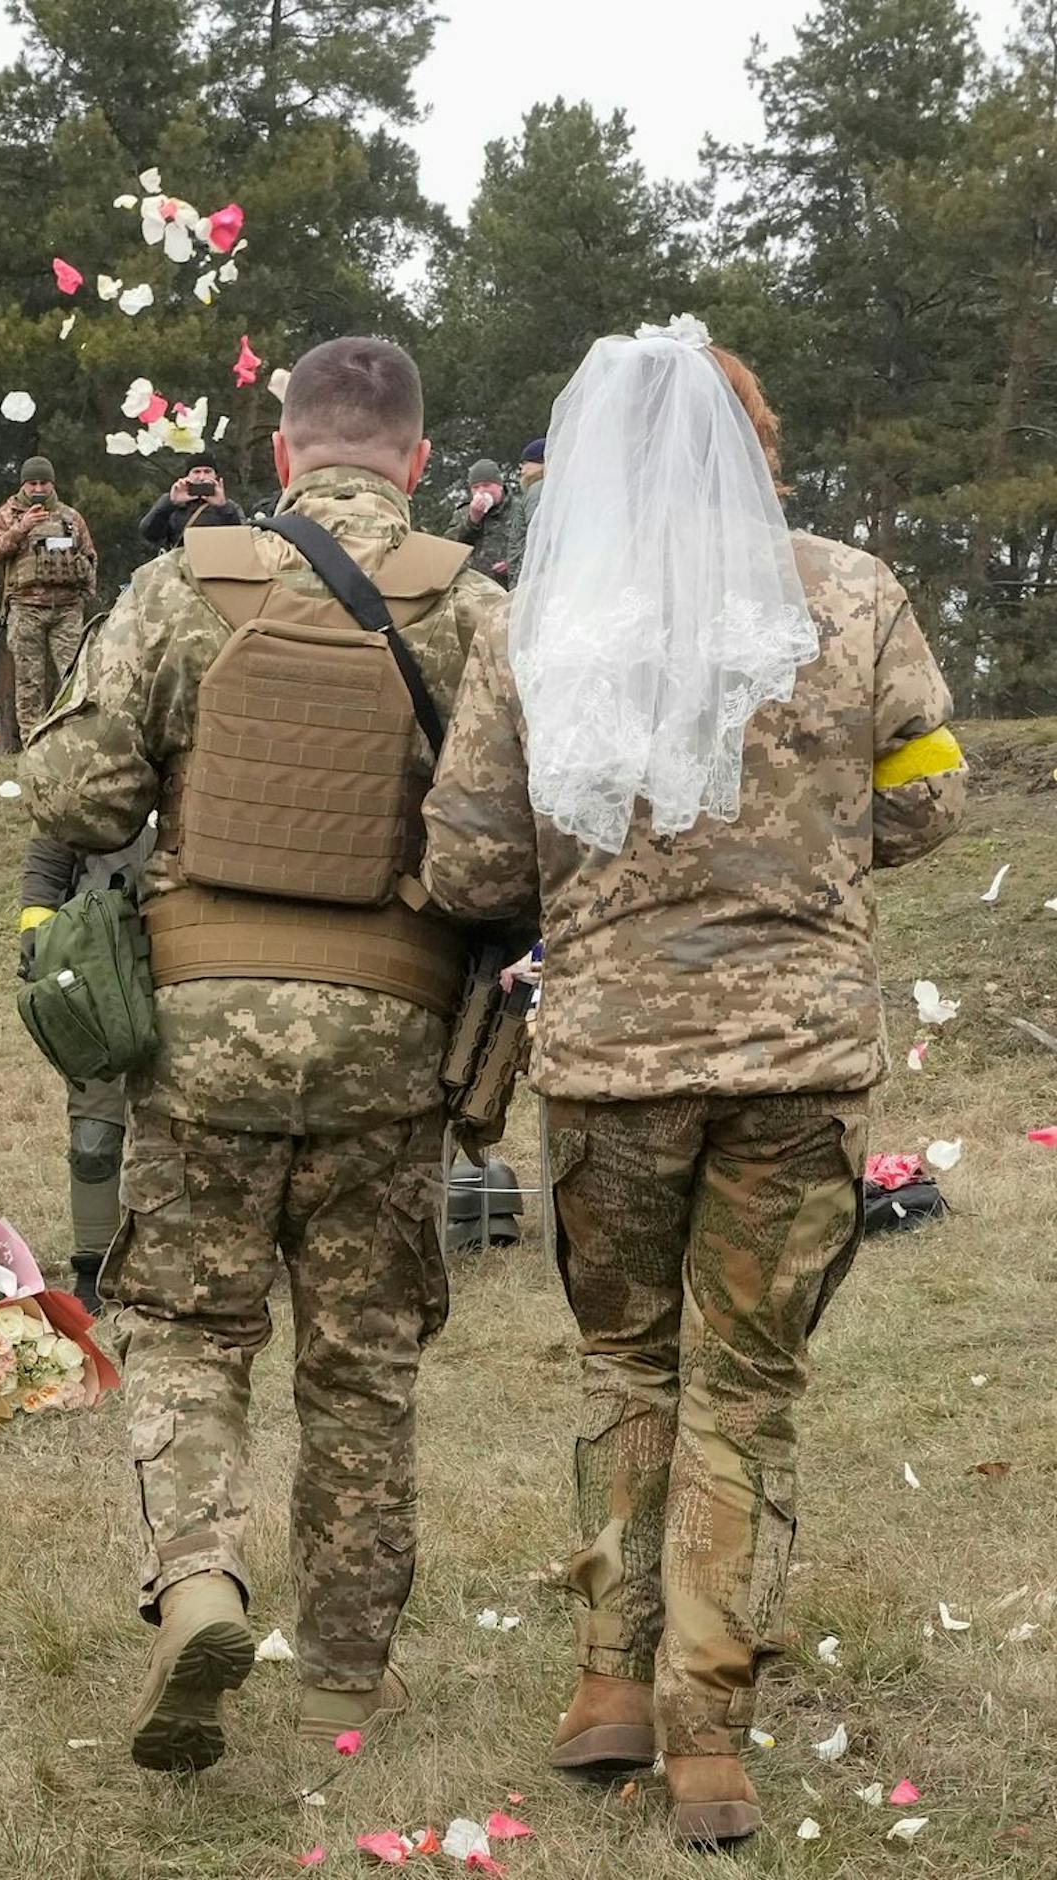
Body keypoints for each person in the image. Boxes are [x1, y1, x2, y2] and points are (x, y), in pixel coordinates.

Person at [420, 324, 968, 1847]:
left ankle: (609, 1686)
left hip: (610, 1064)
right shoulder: (851, 592)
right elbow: (931, 789)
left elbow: (466, 861)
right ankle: (709, 1740)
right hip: (798, 1057)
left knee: (629, 1368)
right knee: (747, 1386)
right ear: (757, 443)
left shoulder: (536, 620)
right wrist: (826, 851)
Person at [22, 338, 507, 1770]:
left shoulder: (186, 584)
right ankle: (346, 1681)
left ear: (283, 451)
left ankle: (199, 1586)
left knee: (185, 1330)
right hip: (391, 1036)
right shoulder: (478, 608)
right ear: (414, 463)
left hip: (205, 1028)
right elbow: (508, 846)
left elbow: (78, 790)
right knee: (360, 1367)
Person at [17, 827, 154, 1316]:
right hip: (102, 951)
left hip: (197, 949)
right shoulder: (105, 759)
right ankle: (94, 1266)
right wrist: (37, 928)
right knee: (94, 1138)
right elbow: (54, 839)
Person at [0, 456, 98, 742]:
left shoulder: (70, 517)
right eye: (32, 483)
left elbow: (90, 557)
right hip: (25, 608)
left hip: (67, 609)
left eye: (43, 483)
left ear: (52, 484)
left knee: (74, 678)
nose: (38, 489)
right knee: (29, 681)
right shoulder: (7, 514)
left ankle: (73, 740)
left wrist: (86, 594)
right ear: (23, 484)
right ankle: (33, 742)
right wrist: (21, 528)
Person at [137, 454, 247, 551]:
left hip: (217, 566)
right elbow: (149, 534)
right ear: (187, 476)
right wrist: (169, 503)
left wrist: (223, 507)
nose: (202, 477)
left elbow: (242, 539)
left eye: (207, 471)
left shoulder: (229, 506)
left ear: (215, 476)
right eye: (196, 472)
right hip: (181, 568)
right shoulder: (172, 504)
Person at [447, 457, 514, 585]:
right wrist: (472, 521)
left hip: (509, 588)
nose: (481, 491)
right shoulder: (464, 512)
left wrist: (513, 563)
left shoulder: (518, 509)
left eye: (486, 485)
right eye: (475, 487)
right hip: (473, 589)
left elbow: (534, 546)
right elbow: (449, 548)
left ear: (499, 485)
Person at [506, 437, 545, 586]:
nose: (522, 470)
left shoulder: (537, 490)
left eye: (526, 463)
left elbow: (535, 537)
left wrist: (521, 583)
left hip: (530, 580)